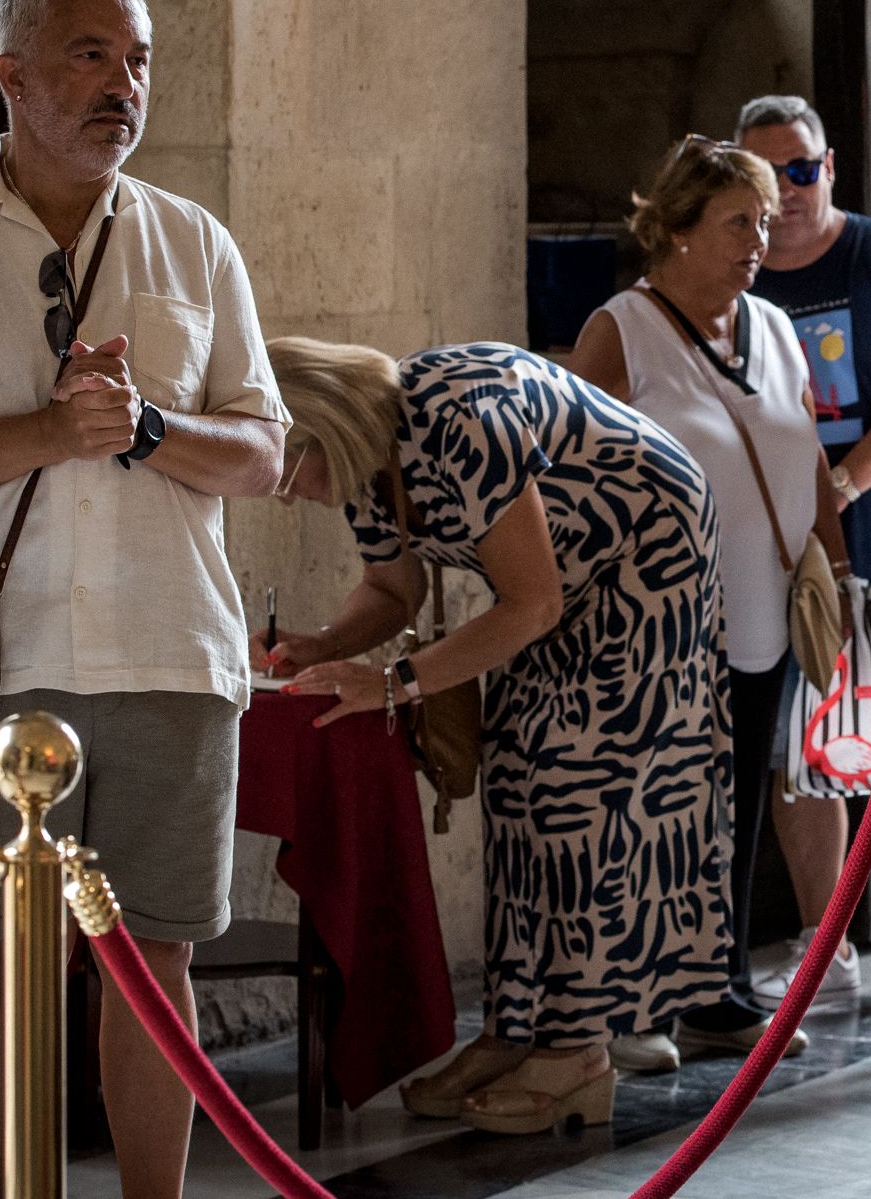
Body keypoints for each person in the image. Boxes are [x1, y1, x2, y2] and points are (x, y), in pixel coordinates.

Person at [0, 0, 288, 1198]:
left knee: (157, 962)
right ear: (10, 73)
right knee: (14, 963)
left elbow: (262, 453)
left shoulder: (197, 244)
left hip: (169, 652)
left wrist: (144, 430)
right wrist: (45, 433)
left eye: (139, 59)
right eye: (91, 55)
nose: (122, 86)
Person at [258, 336, 733, 1135]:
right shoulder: (370, 460)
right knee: (514, 777)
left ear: (321, 430)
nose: (282, 493)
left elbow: (531, 603)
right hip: (557, 586)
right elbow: (391, 585)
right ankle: (512, 1028)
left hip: (647, 557)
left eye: (285, 471)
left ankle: (579, 1050)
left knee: (575, 788)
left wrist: (395, 683)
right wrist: (322, 644)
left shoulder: (455, 417)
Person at [566, 135, 847, 1071]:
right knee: (656, 807)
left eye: (765, 220)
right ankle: (635, 998)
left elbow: (803, 443)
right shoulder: (623, 328)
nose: (759, 239)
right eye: (738, 221)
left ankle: (715, 994)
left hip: (762, 602)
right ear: (677, 229)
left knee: (727, 810)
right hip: (656, 623)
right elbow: (575, 479)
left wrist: (837, 569)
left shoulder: (770, 326)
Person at [734, 94, 871, 1010]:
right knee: (796, 751)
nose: (791, 189)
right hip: (784, 553)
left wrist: (849, 480)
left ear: (832, 165)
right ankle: (826, 945)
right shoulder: (738, 271)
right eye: (771, 174)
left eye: (803, 168)